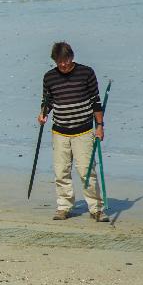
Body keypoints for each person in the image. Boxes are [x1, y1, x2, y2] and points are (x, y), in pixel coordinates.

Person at [38, 41, 108, 222]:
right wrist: (43, 114)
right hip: (60, 132)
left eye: (66, 60)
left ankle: (96, 208)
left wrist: (100, 126)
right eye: (59, 61)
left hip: (83, 131)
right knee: (61, 171)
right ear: (55, 60)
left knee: (87, 171)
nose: (63, 64)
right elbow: (47, 101)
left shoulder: (86, 73)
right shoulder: (49, 77)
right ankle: (64, 207)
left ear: (72, 57)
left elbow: (96, 102)